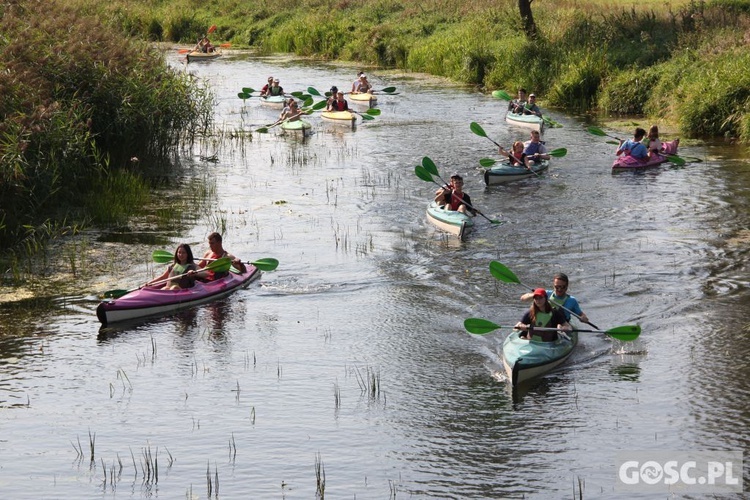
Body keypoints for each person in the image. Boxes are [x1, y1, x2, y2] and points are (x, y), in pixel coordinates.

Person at [520, 273, 590, 324]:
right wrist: (535, 295)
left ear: (567, 286)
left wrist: (583, 318)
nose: (559, 289)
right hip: (543, 323)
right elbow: (523, 298)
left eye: (562, 287)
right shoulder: (545, 294)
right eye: (557, 287)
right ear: (553, 286)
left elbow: (581, 315)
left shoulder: (571, 300)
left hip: (562, 325)